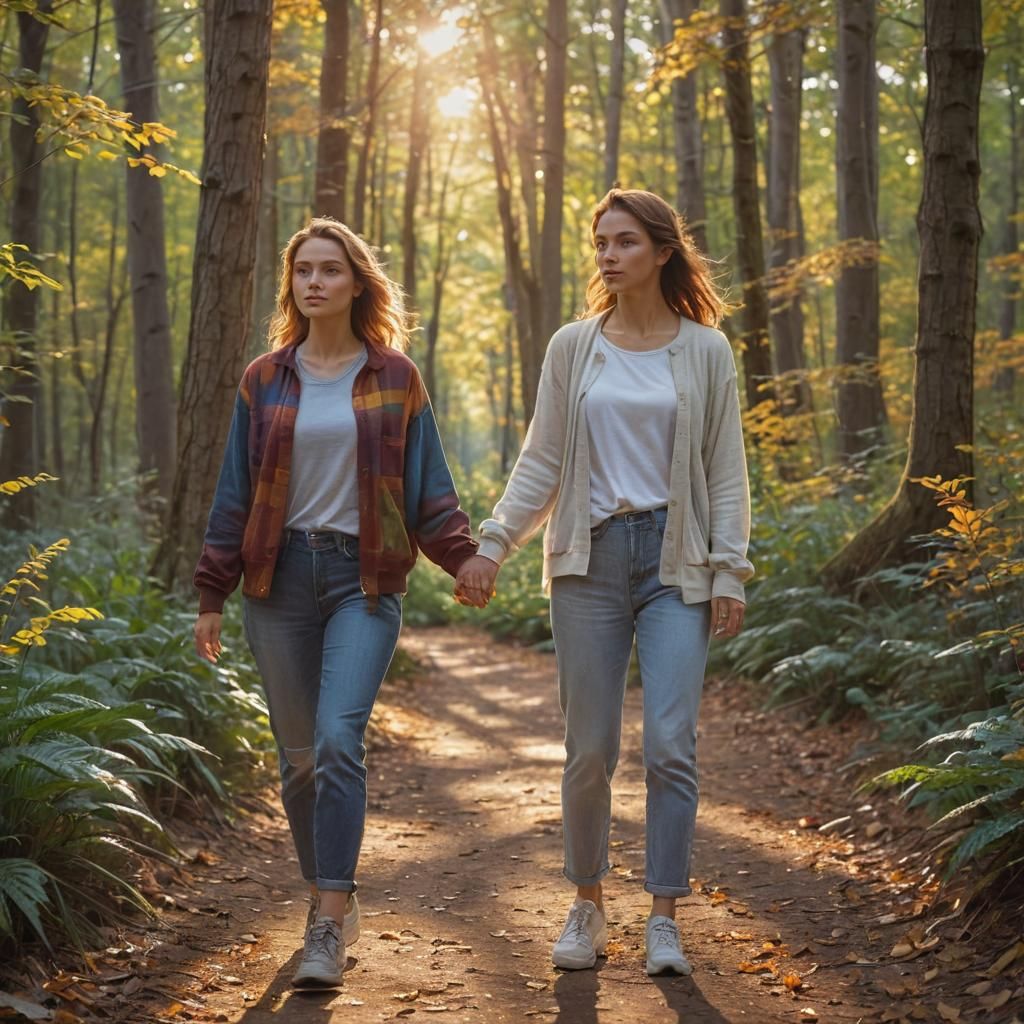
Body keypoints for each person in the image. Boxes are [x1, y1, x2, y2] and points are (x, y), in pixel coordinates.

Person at [455, 188, 753, 977]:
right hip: (587, 561)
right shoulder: (573, 347)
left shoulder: (706, 351)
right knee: (589, 748)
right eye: (600, 243)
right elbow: (542, 460)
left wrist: (731, 568)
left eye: (624, 241)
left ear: (662, 251)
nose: (608, 255)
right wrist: (493, 545)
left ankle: (663, 917)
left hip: (676, 562)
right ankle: (586, 905)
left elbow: (725, 471)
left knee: (670, 744)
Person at [193, 217, 480, 989]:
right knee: (297, 759)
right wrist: (212, 591)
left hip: (364, 580)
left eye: (329, 269)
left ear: (357, 284)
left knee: (336, 740)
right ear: (291, 284)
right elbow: (233, 493)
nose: (314, 282)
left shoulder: (395, 376)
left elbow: (428, 488)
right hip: (277, 580)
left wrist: (464, 559)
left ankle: (326, 921)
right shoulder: (264, 379)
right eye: (303, 270)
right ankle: (331, 890)